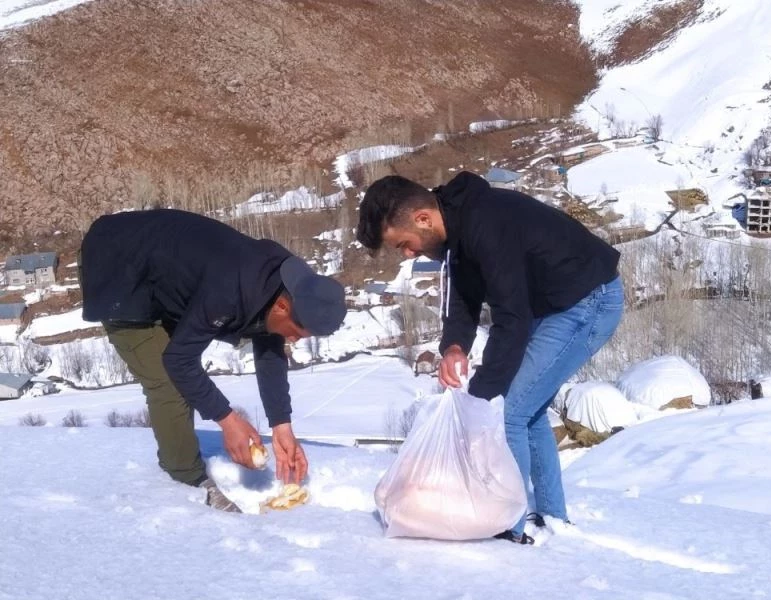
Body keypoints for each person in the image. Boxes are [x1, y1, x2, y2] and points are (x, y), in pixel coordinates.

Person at [356, 171, 623, 544]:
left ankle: (507, 524)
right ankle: (551, 516)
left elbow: (510, 320)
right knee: (526, 411)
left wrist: (481, 395)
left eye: (404, 244)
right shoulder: (457, 230)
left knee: (509, 410)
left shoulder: (486, 225)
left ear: (422, 219)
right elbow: (463, 297)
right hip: (552, 306)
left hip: (587, 300)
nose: (408, 254)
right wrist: (453, 347)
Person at [79, 209, 346, 512]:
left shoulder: (288, 284)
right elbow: (179, 360)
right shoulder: (231, 290)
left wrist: (281, 424)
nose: (297, 339)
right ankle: (185, 481)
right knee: (169, 384)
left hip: (160, 265)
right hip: (118, 265)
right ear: (284, 306)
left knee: (185, 373)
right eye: (299, 332)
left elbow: (268, 339)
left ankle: (184, 469)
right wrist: (227, 419)